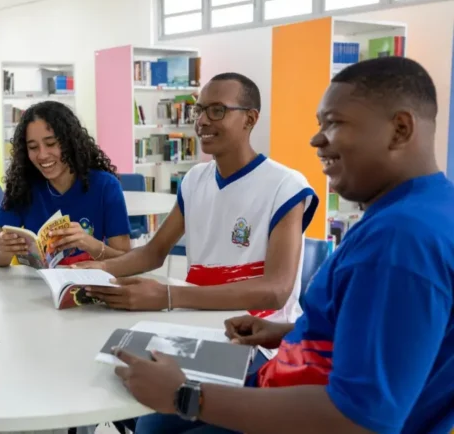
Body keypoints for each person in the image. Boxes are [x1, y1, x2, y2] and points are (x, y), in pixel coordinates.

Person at [114, 57, 454, 434]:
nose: (316, 139)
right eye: (319, 124)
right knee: (154, 424)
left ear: (400, 129)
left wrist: (186, 395)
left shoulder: (400, 241)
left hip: (310, 409)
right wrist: (288, 330)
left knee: (153, 423)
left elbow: (359, 420)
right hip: (291, 368)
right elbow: (388, 337)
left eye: (335, 124)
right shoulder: (422, 209)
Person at [77, 73, 317, 322]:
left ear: (250, 118)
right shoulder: (194, 179)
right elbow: (153, 253)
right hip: (199, 319)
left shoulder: (286, 186)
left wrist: (169, 296)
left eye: (217, 111)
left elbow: (276, 291)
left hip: (262, 334)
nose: (202, 121)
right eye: (199, 110)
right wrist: (98, 269)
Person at [0, 100, 132, 267]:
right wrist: (5, 250)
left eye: (51, 144)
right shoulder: (22, 186)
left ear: (70, 142)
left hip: (90, 287)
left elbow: (126, 262)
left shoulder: (106, 186)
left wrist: (89, 243)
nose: (42, 155)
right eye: (33, 147)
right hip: (36, 287)